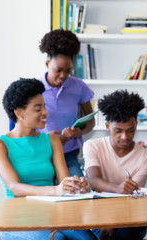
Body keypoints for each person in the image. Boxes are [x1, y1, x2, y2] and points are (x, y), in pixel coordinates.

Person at [0, 78, 96, 240]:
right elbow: (14, 188)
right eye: (38, 108)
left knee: (88, 238)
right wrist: (56, 190)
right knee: (57, 238)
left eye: (45, 107)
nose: (45, 112)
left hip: (51, 213)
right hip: (16, 219)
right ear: (19, 112)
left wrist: (76, 186)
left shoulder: (52, 140)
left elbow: (64, 180)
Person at [83, 89, 147, 240]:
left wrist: (114, 224)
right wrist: (117, 188)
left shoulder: (146, 157)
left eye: (130, 130)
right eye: (118, 131)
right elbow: (94, 181)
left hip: (130, 216)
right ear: (107, 125)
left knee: (126, 233)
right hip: (99, 214)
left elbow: (132, 198)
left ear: (136, 124)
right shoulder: (92, 146)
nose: (125, 137)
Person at [38, 29, 95, 177]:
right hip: (41, 155)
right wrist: (46, 138)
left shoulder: (78, 86)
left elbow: (90, 121)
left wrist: (79, 132)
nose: (63, 75)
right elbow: (22, 127)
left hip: (69, 155)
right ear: (47, 63)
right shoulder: (35, 88)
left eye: (68, 71)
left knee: (79, 192)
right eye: (58, 70)